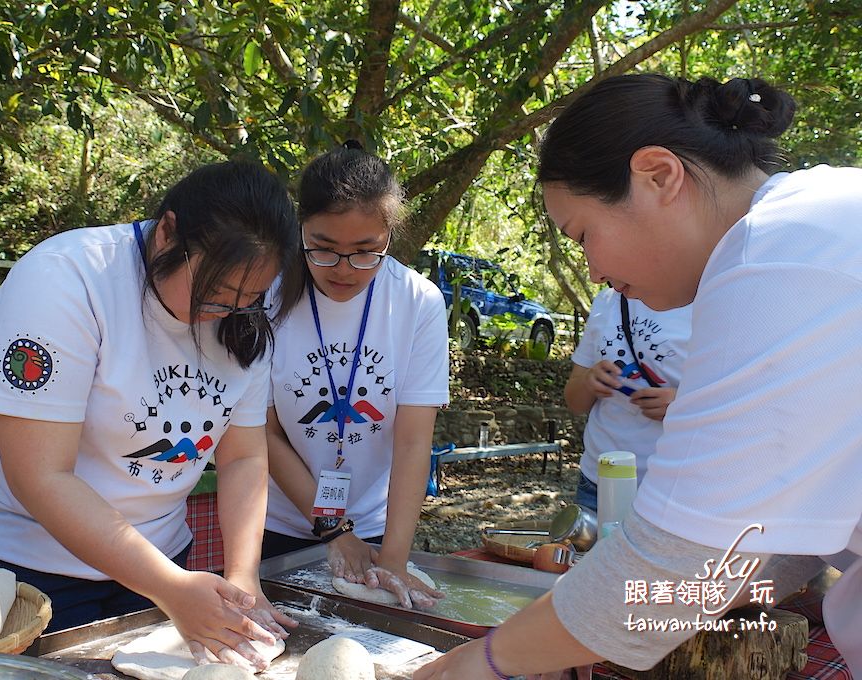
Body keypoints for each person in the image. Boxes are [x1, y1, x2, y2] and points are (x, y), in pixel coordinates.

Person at [415, 73, 862, 679]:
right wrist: (570, 638)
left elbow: (680, 559)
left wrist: (478, 664)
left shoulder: (775, 253)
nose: (593, 270)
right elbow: (765, 541)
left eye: (584, 236)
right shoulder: (818, 221)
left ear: (658, 175)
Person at [0, 161, 304, 671]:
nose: (229, 312)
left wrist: (242, 575)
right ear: (167, 232)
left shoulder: (245, 309)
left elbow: (242, 456)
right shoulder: (67, 280)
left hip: (158, 562)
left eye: (248, 300)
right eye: (215, 295)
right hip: (17, 566)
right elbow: (40, 475)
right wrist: (170, 588)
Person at [262, 142, 449, 609]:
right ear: (299, 229)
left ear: (389, 237)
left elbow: (412, 443)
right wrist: (333, 530)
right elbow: (261, 433)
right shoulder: (264, 295)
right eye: (323, 250)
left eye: (366, 252)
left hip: (378, 523)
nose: (344, 270)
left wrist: (395, 561)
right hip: (278, 525)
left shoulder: (418, 302)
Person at [565, 287, 692, 510]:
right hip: (598, 483)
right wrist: (588, 380)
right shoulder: (607, 301)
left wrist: (682, 404)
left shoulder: (704, 299)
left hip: (672, 488)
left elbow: (745, 401)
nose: (597, 275)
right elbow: (574, 402)